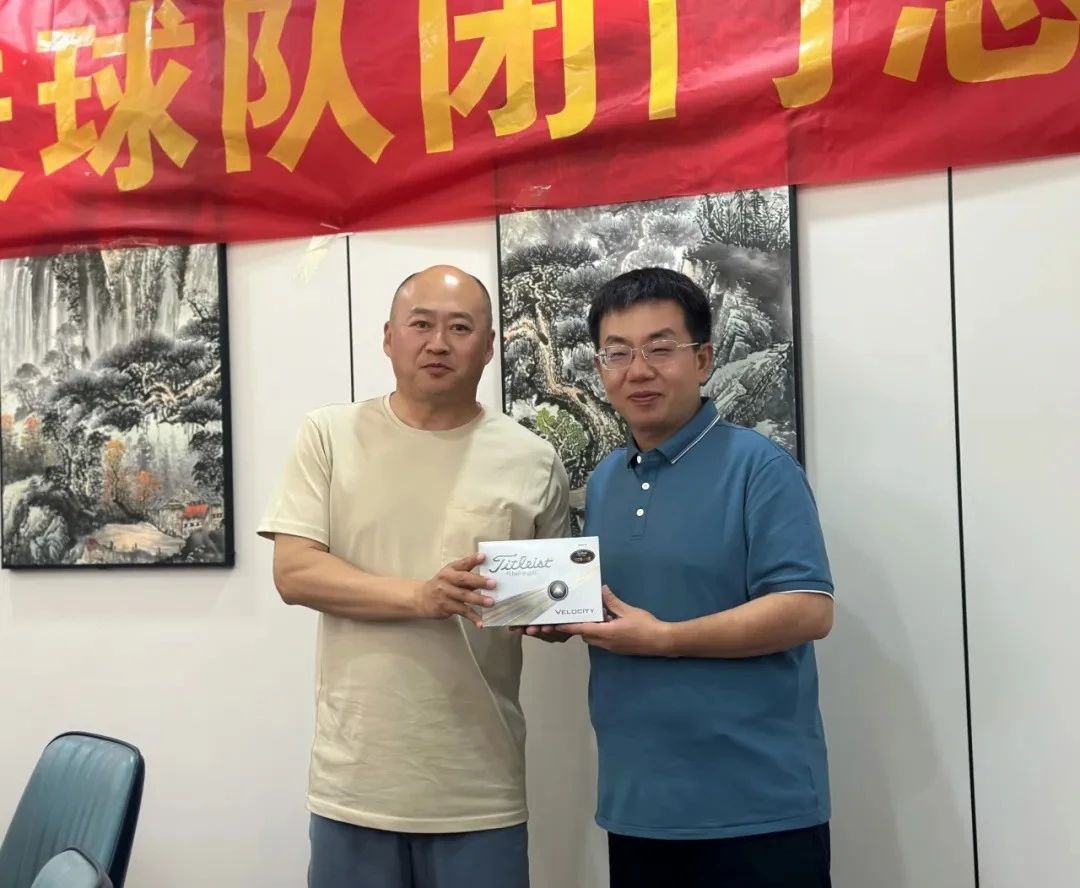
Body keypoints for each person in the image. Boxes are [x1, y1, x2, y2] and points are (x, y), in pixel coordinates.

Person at [259, 265, 570, 888]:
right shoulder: (329, 436)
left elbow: (555, 605)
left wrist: (557, 619)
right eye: (421, 324)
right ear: (388, 337)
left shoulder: (533, 459)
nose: (438, 343)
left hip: (480, 785)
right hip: (356, 781)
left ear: (489, 346)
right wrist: (422, 596)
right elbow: (294, 573)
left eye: (461, 328)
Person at [529, 267, 834, 887]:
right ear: (599, 368)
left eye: (660, 348)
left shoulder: (761, 467)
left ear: (703, 359)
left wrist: (666, 638)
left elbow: (807, 609)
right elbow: (620, 604)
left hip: (757, 808)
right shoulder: (607, 480)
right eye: (617, 352)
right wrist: (563, 617)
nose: (638, 371)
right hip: (639, 804)